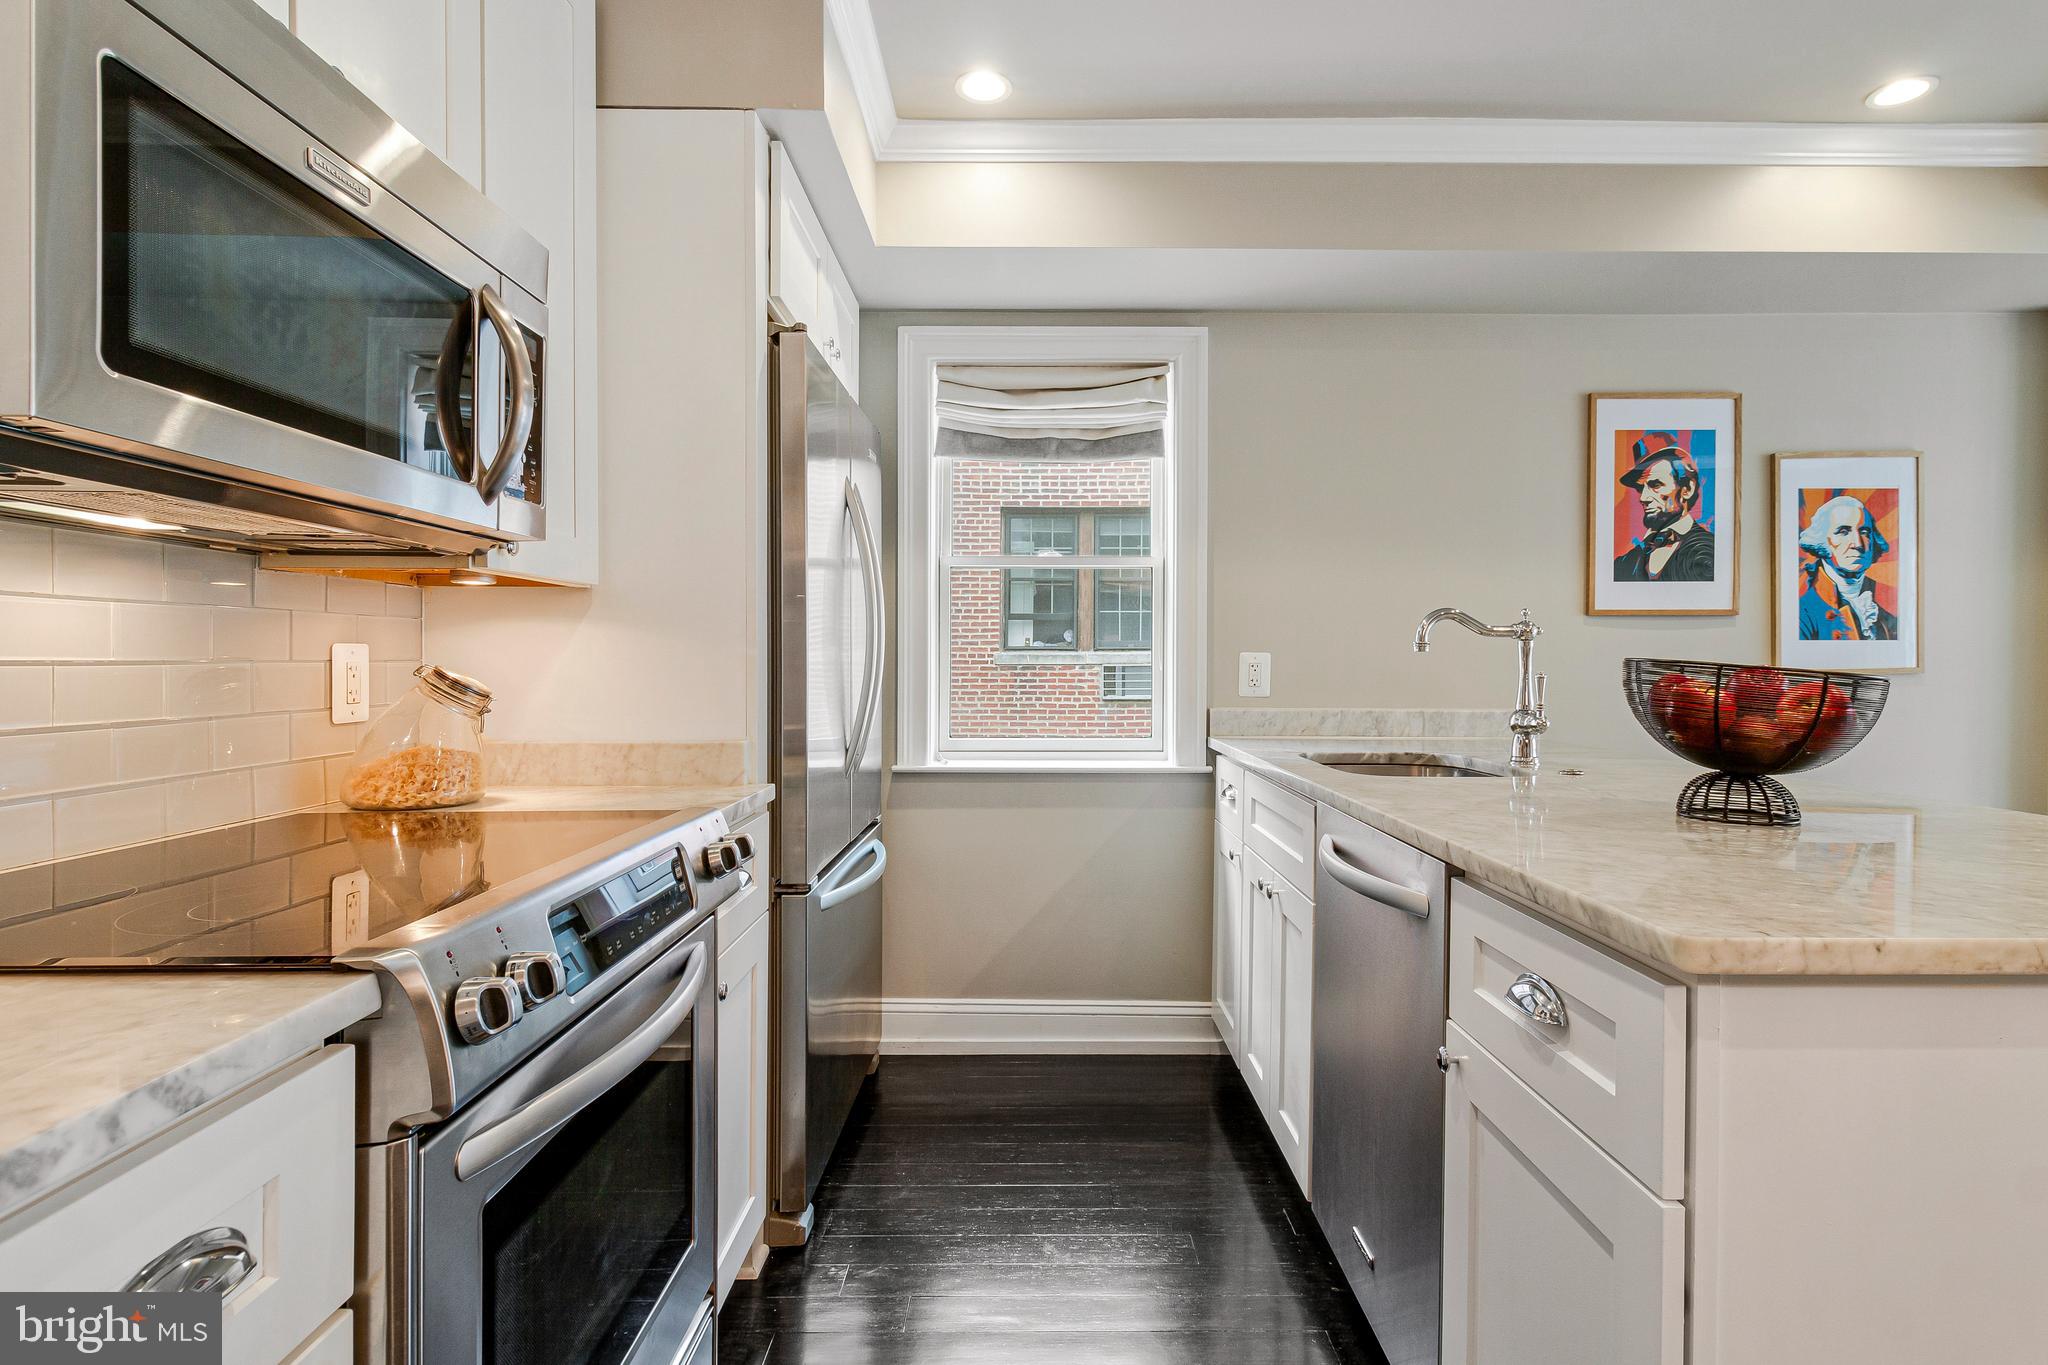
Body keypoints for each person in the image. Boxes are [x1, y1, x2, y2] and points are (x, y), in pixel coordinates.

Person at [1612, 433, 1714, 582]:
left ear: (1687, 489)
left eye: (1656, 485)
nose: (1643, 497)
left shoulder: (1710, 552)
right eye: (1641, 488)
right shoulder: (1624, 563)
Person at [1798, 494, 1896, 640]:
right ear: (1821, 541)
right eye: (1843, 532)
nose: (1857, 544)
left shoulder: (1886, 616)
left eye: (1864, 532)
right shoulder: (1802, 615)